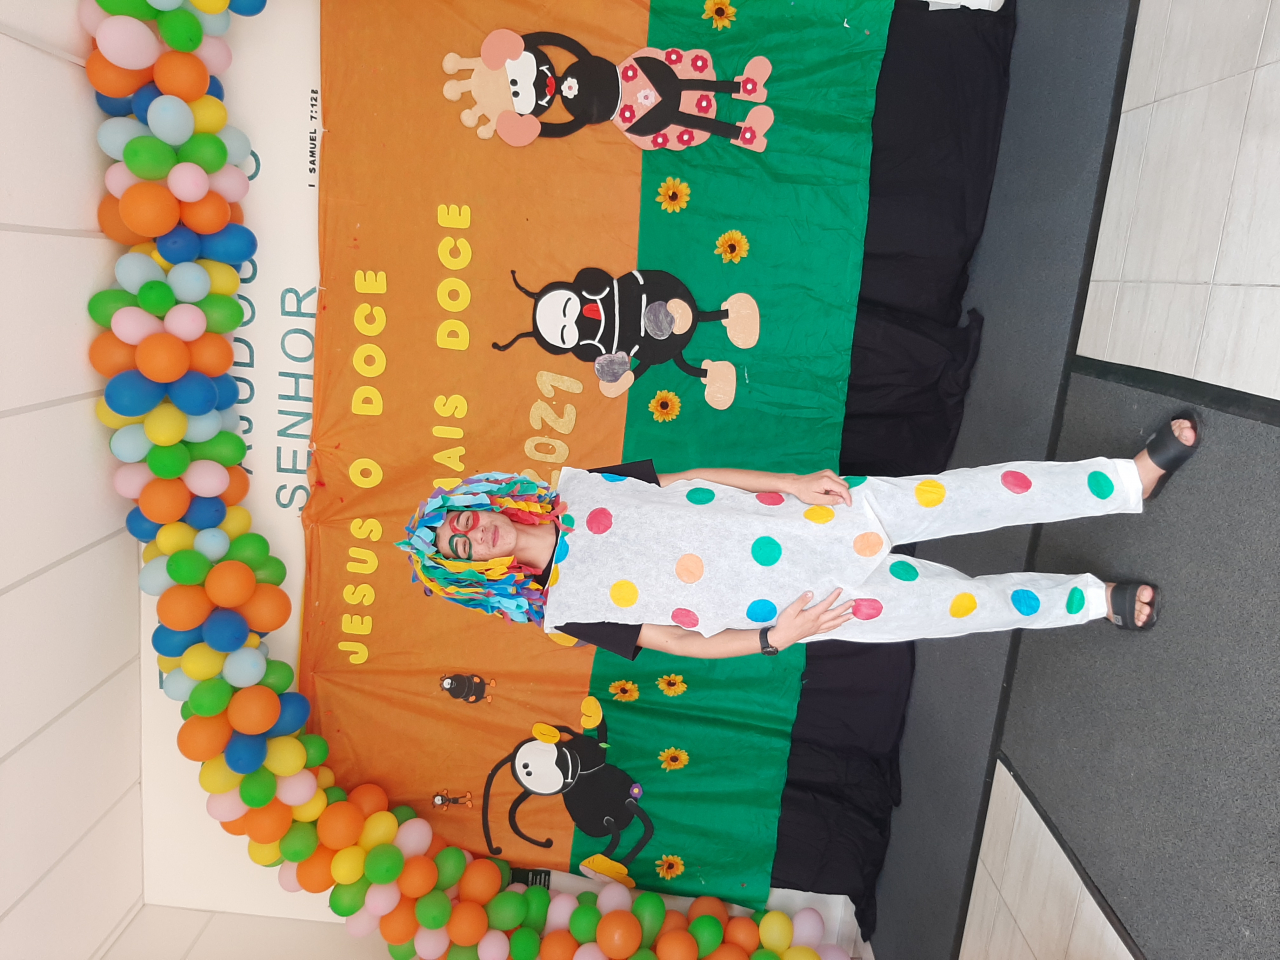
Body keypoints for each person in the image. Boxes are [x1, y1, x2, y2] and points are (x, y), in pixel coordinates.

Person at [398, 415, 1199, 660]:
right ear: (477, 571)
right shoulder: (565, 609)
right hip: (807, 602)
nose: (474, 534)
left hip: (814, 516)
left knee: (978, 493)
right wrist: (773, 639)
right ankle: (1091, 600)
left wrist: (790, 485)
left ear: (480, 500)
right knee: (964, 608)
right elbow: (674, 641)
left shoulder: (578, 486)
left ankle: (1125, 482)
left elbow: (688, 479)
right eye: (461, 548)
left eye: (462, 519)